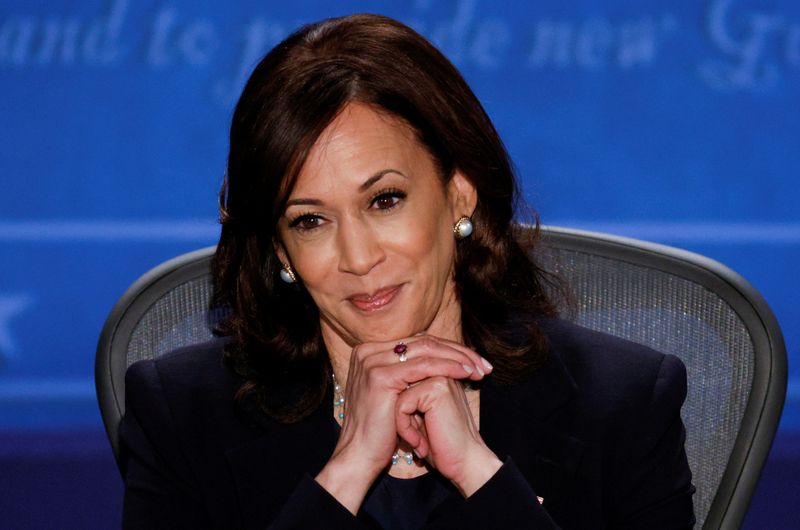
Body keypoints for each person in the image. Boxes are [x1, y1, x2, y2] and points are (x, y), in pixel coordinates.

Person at [119, 13, 695, 529]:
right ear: (280, 250)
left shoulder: (624, 403)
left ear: (459, 194)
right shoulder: (181, 416)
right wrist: (346, 471)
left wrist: (480, 475)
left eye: (385, 200)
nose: (359, 258)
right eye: (310, 221)